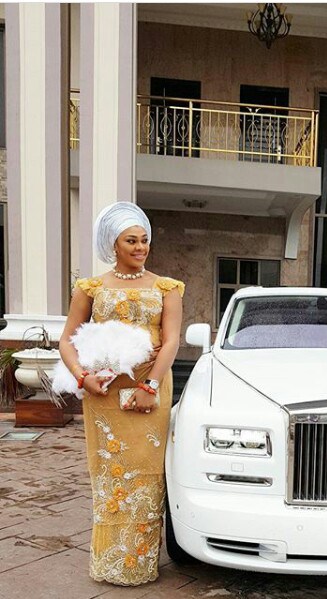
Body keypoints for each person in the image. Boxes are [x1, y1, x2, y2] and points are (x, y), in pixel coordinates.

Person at [59, 201, 184, 586]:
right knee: (109, 478)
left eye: (145, 240)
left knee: (146, 476)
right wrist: (82, 378)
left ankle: (139, 564)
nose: (140, 247)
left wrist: (150, 386)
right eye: (131, 240)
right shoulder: (90, 288)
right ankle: (110, 561)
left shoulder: (167, 287)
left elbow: (171, 340)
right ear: (113, 244)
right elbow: (67, 341)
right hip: (104, 398)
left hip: (150, 391)